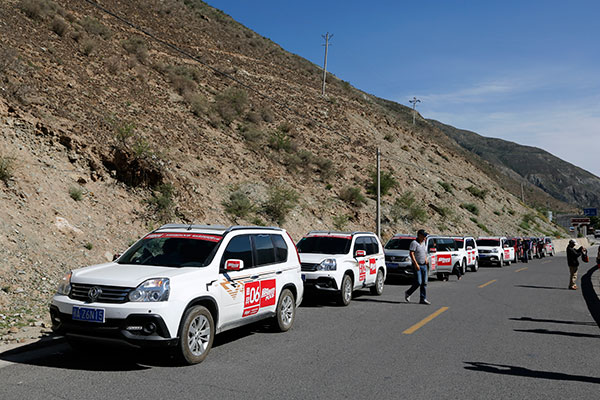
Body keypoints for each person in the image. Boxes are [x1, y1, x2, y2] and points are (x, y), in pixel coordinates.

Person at [405, 229, 431, 305]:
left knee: (424, 283)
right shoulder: (414, 243)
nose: (425, 238)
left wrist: (426, 259)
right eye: (423, 236)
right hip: (417, 265)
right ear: (419, 236)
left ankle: (423, 298)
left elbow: (424, 252)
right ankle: (408, 293)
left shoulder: (424, 242)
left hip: (424, 265)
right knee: (418, 282)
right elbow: (411, 254)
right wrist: (416, 264)